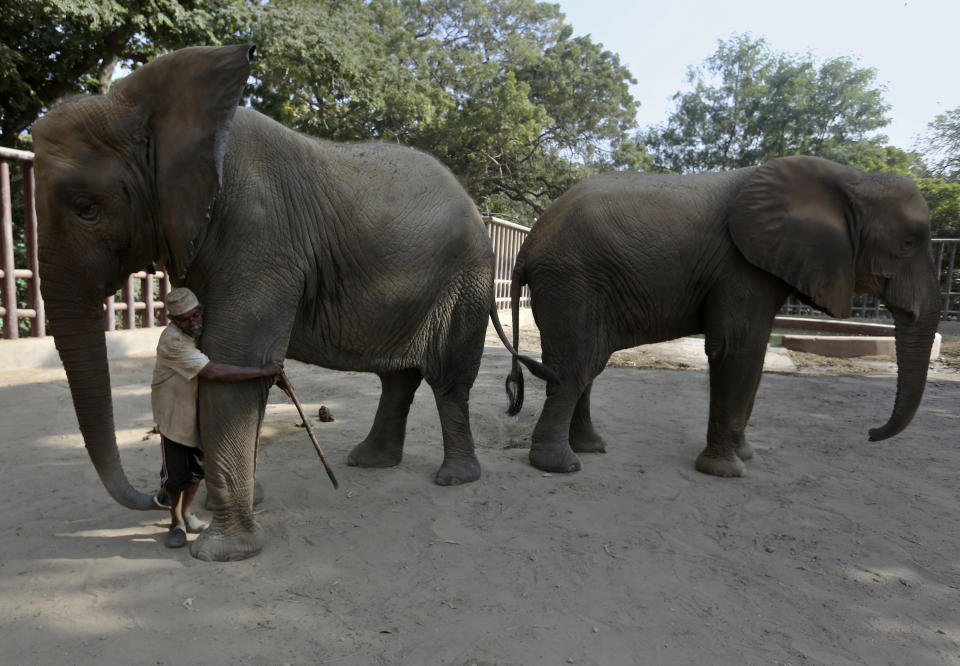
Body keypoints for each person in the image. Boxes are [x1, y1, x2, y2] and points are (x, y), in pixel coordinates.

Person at [152, 287, 284, 548]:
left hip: (199, 413)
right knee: (176, 476)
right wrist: (262, 372)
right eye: (184, 320)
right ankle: (176, 521)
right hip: (175, 418)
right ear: (173, 321)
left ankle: (188, 514)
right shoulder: (173, 342)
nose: (193, 322)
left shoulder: (199, 329)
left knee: (197, 471)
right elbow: (212, 372)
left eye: (196, 315)